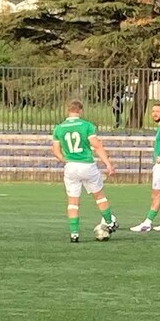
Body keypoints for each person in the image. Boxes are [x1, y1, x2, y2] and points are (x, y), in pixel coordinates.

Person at [51, 100, 118, 243]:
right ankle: (110, 222)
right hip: (87, 165)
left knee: (73, 201)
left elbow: (56, 151)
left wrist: (66, 160)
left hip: (71, 167)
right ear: (80, 110)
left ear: (68, 110)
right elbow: (96, 145)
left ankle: (74, 234)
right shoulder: (87, 126)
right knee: (99, 196)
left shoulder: (59, 128)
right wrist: (108, 164)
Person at [130, 104, 160, 233]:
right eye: (153, 111)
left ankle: (147, 223)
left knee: (156, 194)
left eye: (158, 111)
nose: (155, 114)